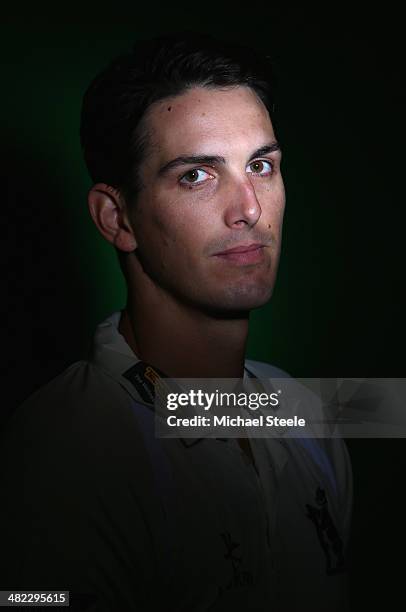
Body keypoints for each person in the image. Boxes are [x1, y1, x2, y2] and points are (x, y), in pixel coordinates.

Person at [0, 33, 352, 611]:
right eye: (197, 175)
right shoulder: (61, 447)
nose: (250, 209)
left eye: (261, 166)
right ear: (117, 219)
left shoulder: (308, 416)